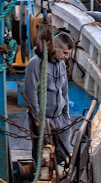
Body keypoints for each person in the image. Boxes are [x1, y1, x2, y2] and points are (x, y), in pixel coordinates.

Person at [24, 32, 75, 164]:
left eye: (68, 53)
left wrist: (66, 115)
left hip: (61, 118)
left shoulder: (62, 65)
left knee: (63, 154)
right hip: (43, 118)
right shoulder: (35, 64)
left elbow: (64, 91)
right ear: (55, 46)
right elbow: (31, 92)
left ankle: (60, 179)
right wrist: (38, 118)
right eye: (64, 53)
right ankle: (40, 177)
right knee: (43, 156)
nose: (66, 57)